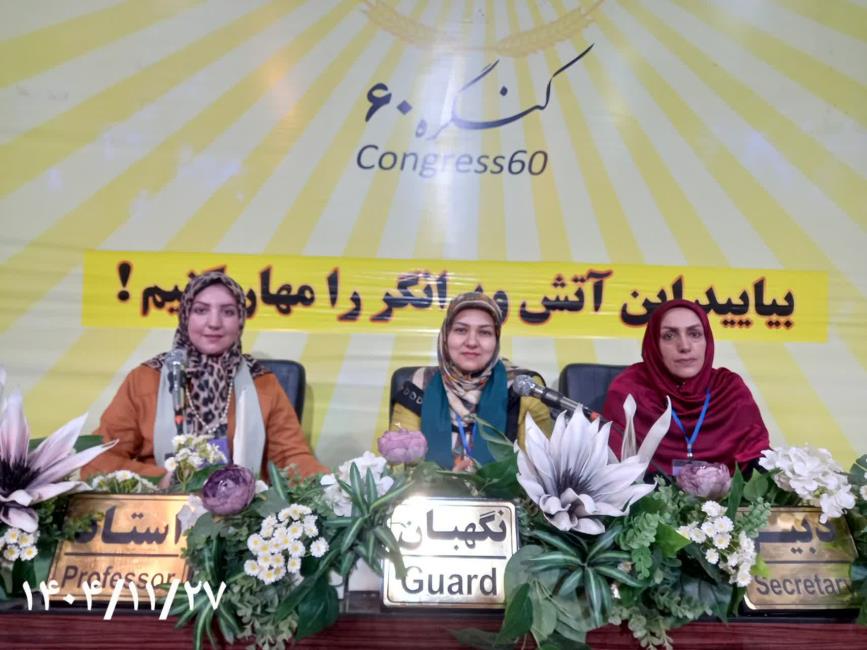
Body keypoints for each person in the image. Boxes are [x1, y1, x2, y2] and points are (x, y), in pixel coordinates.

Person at [82, 272, 327, 481]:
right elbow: (97, 458)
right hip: (160, 510)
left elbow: (291, 459)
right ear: (185, 316)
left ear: (240, 320)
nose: (214, 323)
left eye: (228, 312)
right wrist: (163, 479)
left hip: (243, 513)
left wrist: (333, 487)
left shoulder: (262, 382)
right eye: (201, 310)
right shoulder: (147, 378)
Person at [603, 299, 770, 476]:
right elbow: (612, 465)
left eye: (694, 334)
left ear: (707, 340)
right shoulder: (630, 389)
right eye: (669, 336)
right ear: (654, 344)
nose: (684, 346)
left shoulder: (729, 388)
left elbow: (758, 459)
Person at [388, 292, 553, 471]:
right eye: (461, 330)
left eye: (484, 332)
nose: (472, 342)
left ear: (496, 339)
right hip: (429, 489)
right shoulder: (420, 384)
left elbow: (540, 470)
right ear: (445, 335)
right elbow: (398, 467)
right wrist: (443, 481)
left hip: (507, 490)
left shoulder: (523, 389)